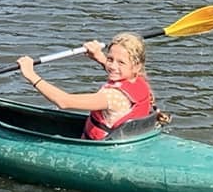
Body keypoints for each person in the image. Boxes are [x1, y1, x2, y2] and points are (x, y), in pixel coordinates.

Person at [17, 31, 155, 139]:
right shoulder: (138, 80)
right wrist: (98, 56)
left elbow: (64, 102)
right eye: (110, 59)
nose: (112, 66)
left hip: (102, 149)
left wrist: (31, 75)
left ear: (136, 66)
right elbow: (119, 71)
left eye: (121, 62)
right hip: (125, 140)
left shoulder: (113, 96)